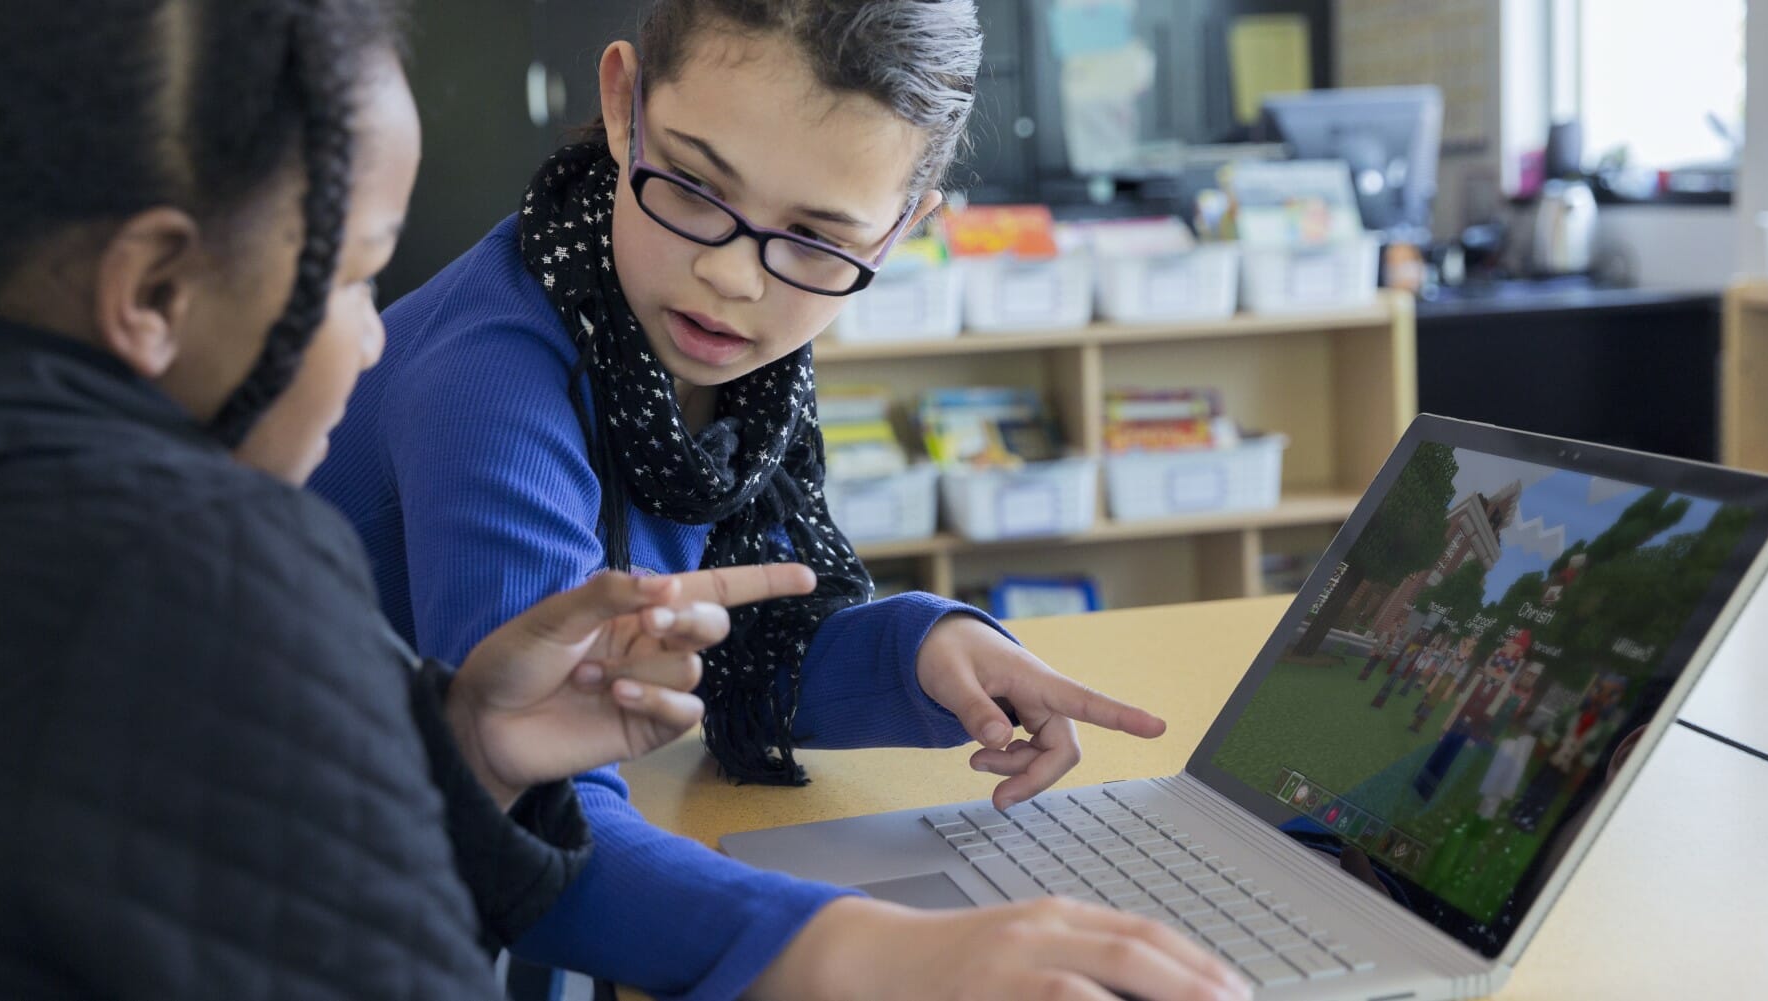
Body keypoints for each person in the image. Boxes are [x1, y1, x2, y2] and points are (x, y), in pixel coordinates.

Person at [309, 1, 1249, 998]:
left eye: (816, 239)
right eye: (693, 184)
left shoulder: (736, 359)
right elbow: (529, 826)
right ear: (623, 102)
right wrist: (875, 948)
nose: (729, 275)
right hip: (333, 894)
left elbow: (718, 656)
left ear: (896, 230)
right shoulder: (488, 379)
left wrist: (920, 650)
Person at [0, 3, 816, 997]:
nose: (375, 337)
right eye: (356, 275)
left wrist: (460, 757)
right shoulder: (194, 564)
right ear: (155, 291)